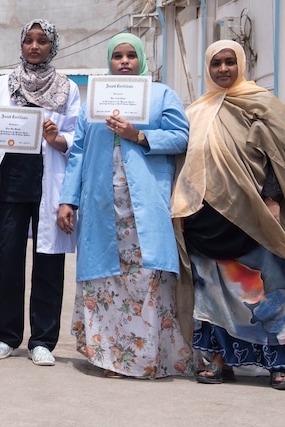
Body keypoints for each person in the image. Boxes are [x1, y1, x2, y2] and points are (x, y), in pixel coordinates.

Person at [171, 40, 285, 390]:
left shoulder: (262, 104)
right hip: (206, 214)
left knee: (274, 285)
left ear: (240, 64)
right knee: (215, 291)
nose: (224, 69)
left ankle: (281, 364)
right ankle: (219, 359)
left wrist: (274, 199)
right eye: (217, 63)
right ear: (208, 68)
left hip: (255, 214)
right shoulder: (197, 111)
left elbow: (282, 156)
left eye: (230, 62)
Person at [57, 33, 192, 379]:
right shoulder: (94, 102)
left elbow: (181, 136)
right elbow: (78, 154)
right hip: (102, 206)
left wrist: (139, 135)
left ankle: (144, 359)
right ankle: (110, 358)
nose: (125, 61)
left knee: (145, 280)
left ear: (142, 59)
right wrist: (68, 199)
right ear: (109, 61)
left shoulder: (162, 95)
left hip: (144, 205)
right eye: (117, 56)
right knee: (107, 281)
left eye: (132, 55)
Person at [0, 18, 79, 367]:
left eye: (42, 41)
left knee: (49, 263)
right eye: (28, 41)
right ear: (21, 46)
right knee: (5, 262)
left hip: (48, 185)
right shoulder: (1, 86)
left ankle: (43, 341)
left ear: (53, 46)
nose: (35, 47)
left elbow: (77, 139)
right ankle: (6, 336)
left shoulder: (67, 88)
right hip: (10, 185)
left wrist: (56, 139)